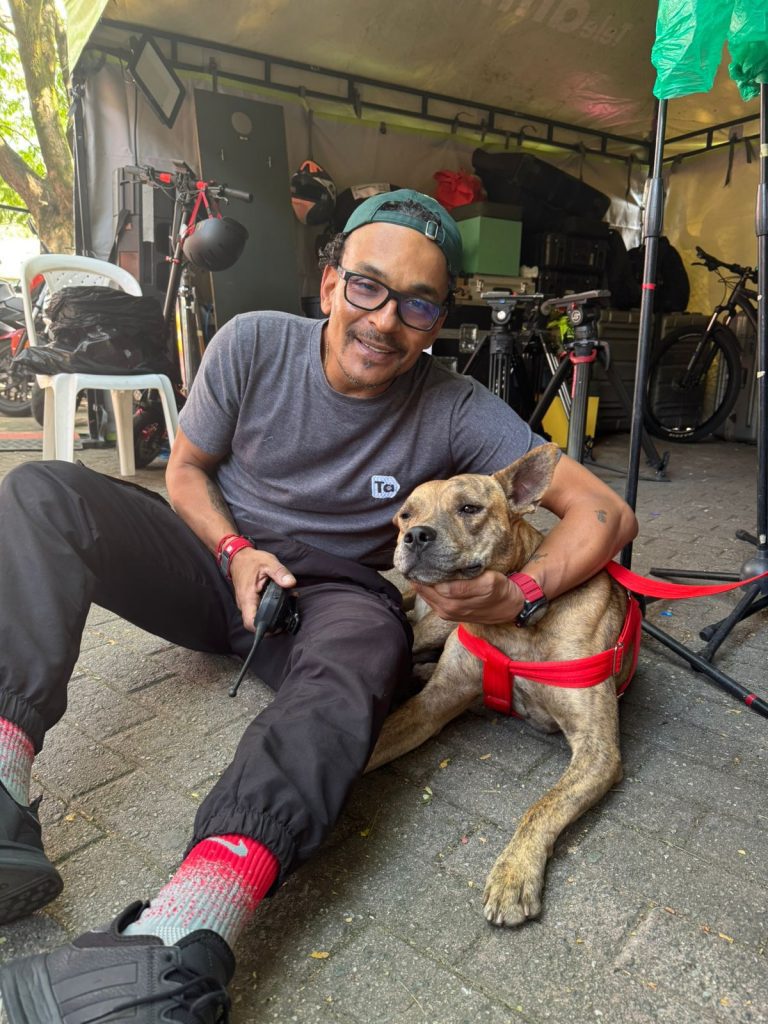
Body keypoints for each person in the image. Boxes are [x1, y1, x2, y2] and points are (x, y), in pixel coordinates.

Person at [0, 189, 637, 1022]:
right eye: (369, 287)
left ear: (437, 320)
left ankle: (178, 945)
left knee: (369, 652)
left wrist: (519, 591)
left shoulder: (454, 404)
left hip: (331, 598)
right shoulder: (253, 343)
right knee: (46, 492)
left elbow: (607, 513)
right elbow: (185, 470)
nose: (385, 321)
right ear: (331, 282)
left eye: (418, 304)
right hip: (219, 560)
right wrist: (233, 550)